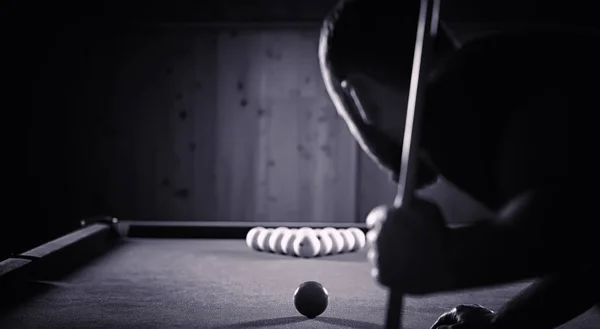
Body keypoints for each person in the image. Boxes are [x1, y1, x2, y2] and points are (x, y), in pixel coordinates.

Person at [319, 0, 597, 328]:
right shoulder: (498, 73)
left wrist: (443, 262)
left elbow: (571, 220)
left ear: (361, 98)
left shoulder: (446, 104)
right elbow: (589, 257)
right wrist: (504, 322)